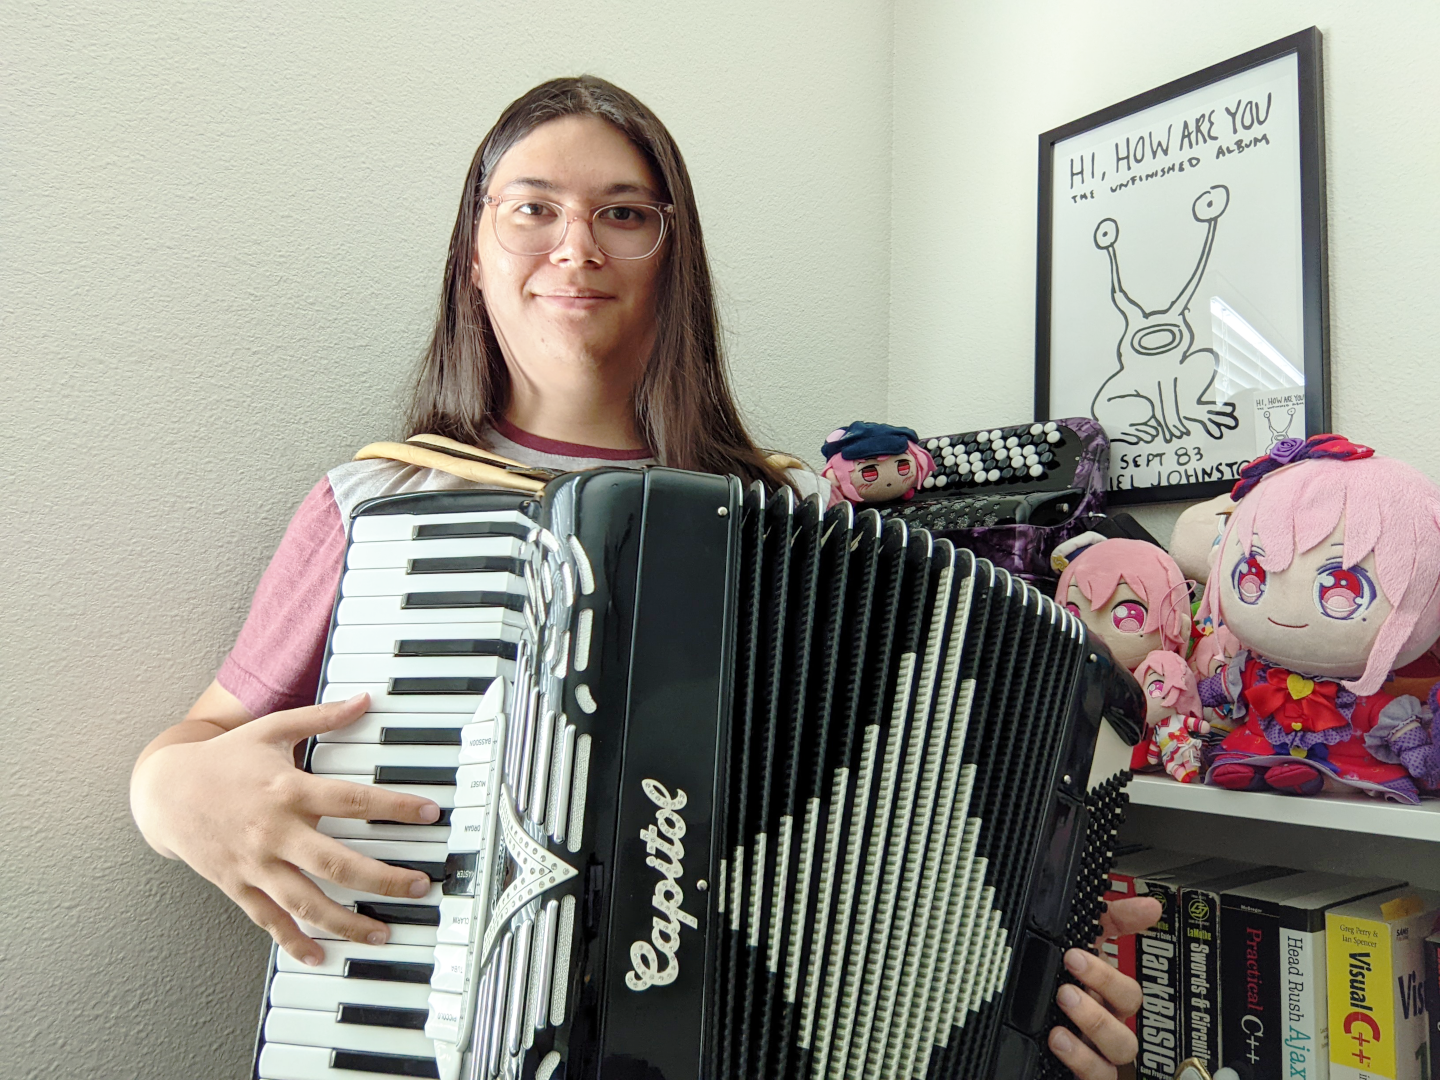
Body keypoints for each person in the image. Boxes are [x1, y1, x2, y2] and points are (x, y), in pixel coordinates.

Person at [129, 75, 1157, 1079]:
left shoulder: (793, 520)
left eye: (623, 213)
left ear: (674, 259)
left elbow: (904, 837)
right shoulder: (383, 504)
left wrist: (1039, 927)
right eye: (531, 209)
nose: (575, 247)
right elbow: (190, 748)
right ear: (474, 257)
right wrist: (178, 794)